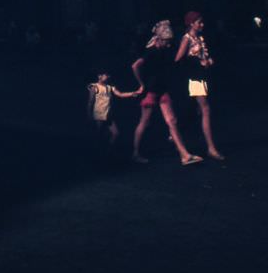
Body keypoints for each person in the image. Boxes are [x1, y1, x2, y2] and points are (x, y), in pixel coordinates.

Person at [131, 19, 203, 165]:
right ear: (159, 39)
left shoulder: (166, 50)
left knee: (172, 121)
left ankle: (184, 155)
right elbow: (135, 66)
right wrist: (141, 85)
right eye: (166, 41)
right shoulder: (151, 52)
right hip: (151, 91)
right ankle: (135, 153)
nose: (168, 44)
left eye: (169, 41)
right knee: (144, 122)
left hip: (162, 90)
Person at [175, 11, 225, 161]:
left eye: (202, 22)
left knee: (196, 110)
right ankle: (211, 148)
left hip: (202, 76)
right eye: (199, 22)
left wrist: (208, 60)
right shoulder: (187, 39)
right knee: (205, 109)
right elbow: (178, 59)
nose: (202, 24)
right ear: (191, 23)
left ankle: (176, 131)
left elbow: (203, 55)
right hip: (194, 78)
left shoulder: (200, 38)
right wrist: (196, 62)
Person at [87, 71, 142, 145]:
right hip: (98, 115)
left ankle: (108, 151)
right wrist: (89, 114)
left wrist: (132, 93)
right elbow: (90, 101)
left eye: (108, 75)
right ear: (99, 76)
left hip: (108, 115)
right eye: (106, 75)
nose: (108, 76)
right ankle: (98, 152)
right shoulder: (94, 87)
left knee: (115, 133)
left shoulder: (110, 87)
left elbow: (120, 94)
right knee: (98, 135)